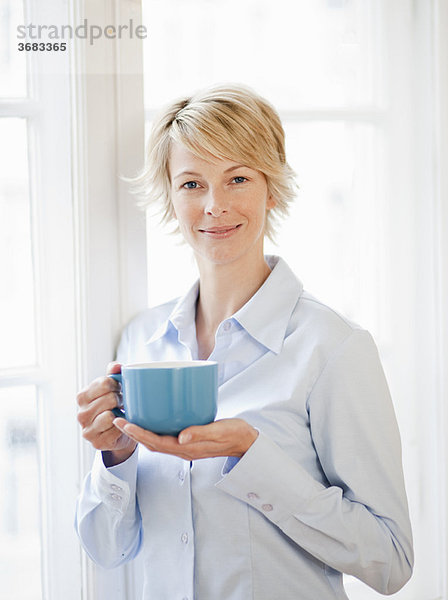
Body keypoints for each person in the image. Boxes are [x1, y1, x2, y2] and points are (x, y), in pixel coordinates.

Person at [75, 84, 413, 600]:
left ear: (271, 188)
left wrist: (253, 457)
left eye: (237, 178)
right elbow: (107, 549)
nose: (215, 205)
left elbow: (390, 562)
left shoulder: (332, 347)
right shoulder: (142, 341)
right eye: (192, 183)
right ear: (169, 194)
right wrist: (115, 459)